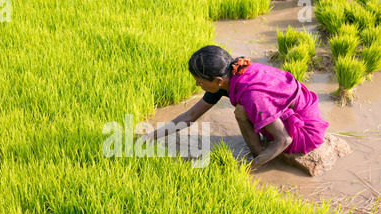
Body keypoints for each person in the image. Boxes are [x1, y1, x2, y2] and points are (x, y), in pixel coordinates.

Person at [137, 45, 329, 170]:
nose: (197, 86)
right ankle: (260, 148)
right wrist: (151, 136)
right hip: (293, 111)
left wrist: (249, 168)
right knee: (243, 109)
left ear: (218, 81)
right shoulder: (233, 72)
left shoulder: (251, 95)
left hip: (304, 131)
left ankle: (258, 154)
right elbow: (191, 115)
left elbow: (284, 139)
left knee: (241, 111)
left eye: (199, 81)